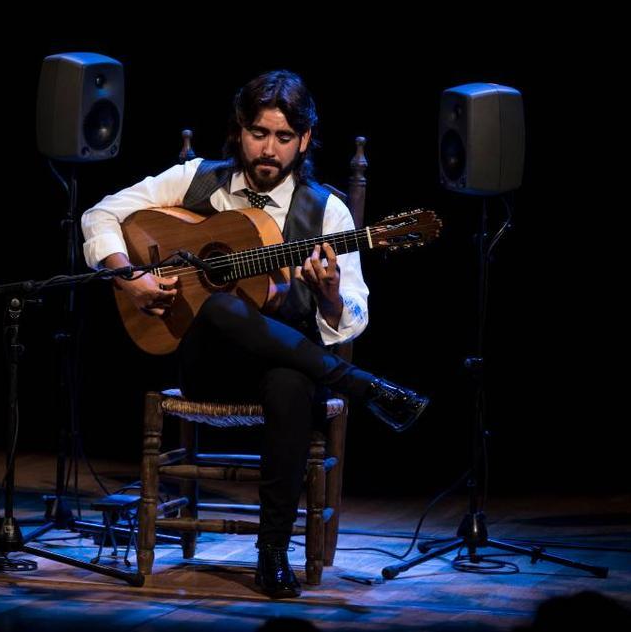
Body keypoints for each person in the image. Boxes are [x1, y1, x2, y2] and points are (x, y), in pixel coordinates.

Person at [80, 70, 428, 598]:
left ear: (304, 140)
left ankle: (271, 554)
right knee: (218, 305)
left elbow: (355, 312)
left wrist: (330, 296)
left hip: (284, 368)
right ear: (239, 130)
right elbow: (101, 213)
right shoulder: (197, 178)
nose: (269, 149)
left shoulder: (326, 210)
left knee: (291, 382)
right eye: (259, 133)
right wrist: (130, 277)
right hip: (207, 363)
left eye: (284, 138)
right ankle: (361, 385)